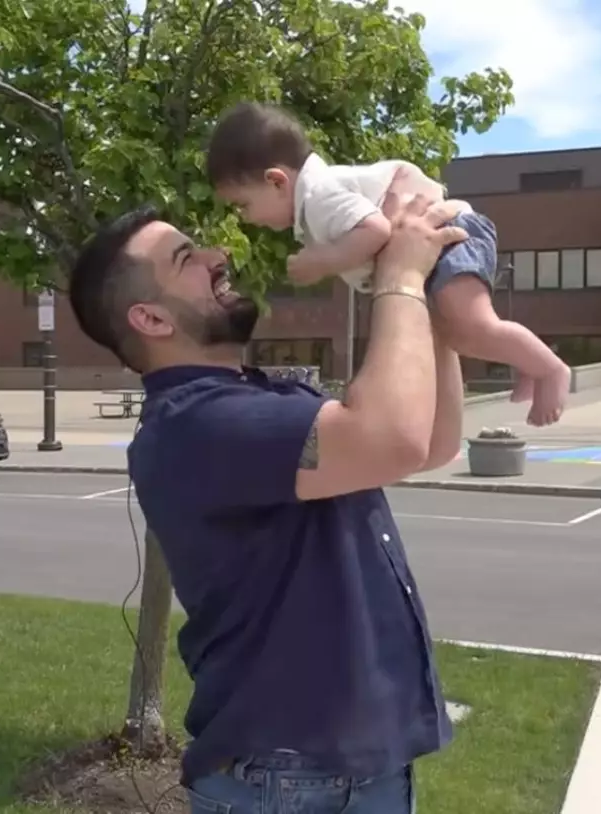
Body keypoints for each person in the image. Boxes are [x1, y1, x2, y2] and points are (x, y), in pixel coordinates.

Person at [66, 193, 466, 813]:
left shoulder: (252, 399)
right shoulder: (197, 423)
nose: (218, 255)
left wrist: (433, 304)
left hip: (346, 772)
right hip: (288, 782)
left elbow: (431, 441)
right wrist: (400, 278)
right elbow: (394, 439)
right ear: (151, 319)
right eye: (186, 258)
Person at [205, 101, 571, 426]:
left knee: (473, 324)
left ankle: (552, 369)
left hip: (450, 234)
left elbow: (376, 229)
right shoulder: (315, 202)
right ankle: (527, 363)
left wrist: (325, 261)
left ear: (276, 181)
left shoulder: (319, 198)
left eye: (243, 204)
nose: (245, 217)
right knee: (459, 335)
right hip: (435, 246)